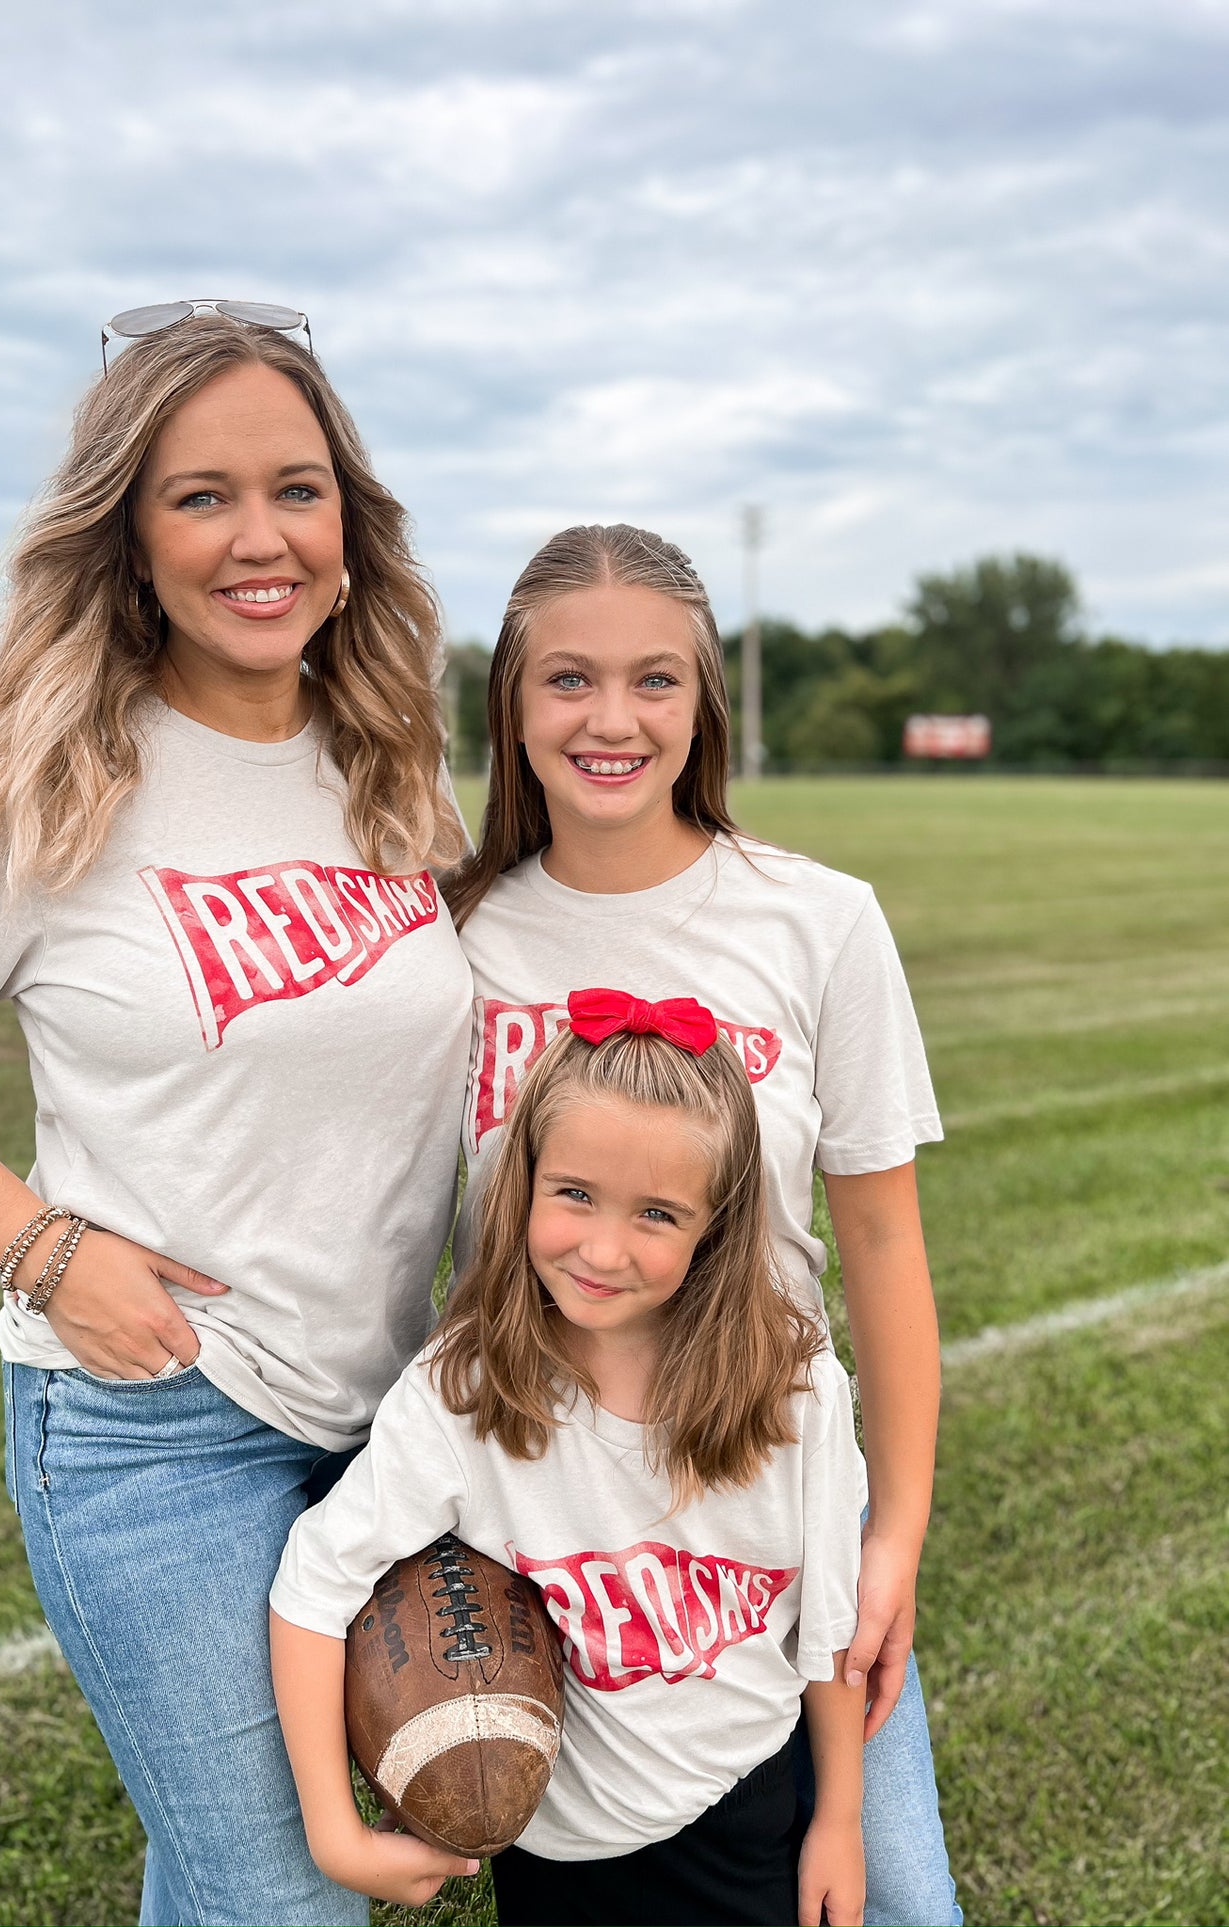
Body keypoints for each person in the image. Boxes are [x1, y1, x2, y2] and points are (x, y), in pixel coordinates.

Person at [0, 307, 474, 1927]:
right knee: (280, 1893)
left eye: (298, 490)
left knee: (225, 1867)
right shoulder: (43, 765)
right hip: (157, 1425)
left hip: (391, 1414)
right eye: (202, 496)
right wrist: (45, 1245)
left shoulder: (389, 752)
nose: (261, 538)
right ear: (128, 532)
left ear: (349, 522)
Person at [444, 524, 961, 1927]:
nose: (611, 719)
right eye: (568, 679)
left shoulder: (817, 921)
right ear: (510, 701)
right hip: (547, 1520)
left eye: (654, 680)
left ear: (703, 704)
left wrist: (890, 1530)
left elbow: (882, 1247)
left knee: (891, 1895)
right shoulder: (448, 938)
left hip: (771, 1492)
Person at [271, 999, 868, 1927]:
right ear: (523, 1181)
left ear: (717, 1223)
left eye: (657, 1214)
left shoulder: (794, 1390)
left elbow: (828, 1628)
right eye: (575, 1193)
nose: (601, 1249)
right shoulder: (465, 1390)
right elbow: (315, 1584)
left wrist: (838, 1816)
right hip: (557, 1842)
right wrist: (330, 1830)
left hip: (747, 1801)